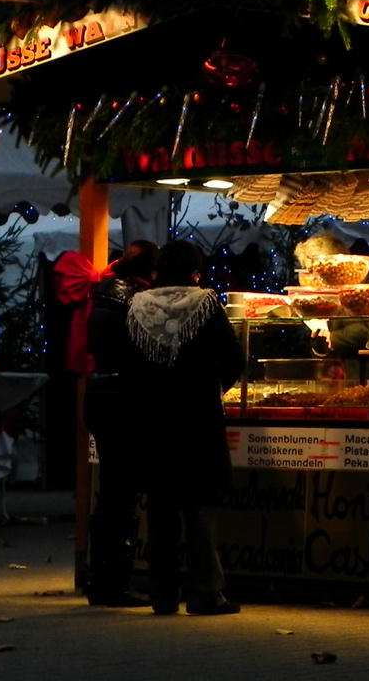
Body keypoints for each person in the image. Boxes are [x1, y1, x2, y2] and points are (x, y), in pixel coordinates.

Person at [122, 240, 243, 615]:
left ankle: (162, 596)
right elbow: (234, 357)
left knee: (160, 510)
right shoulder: (206, 303)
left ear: (158, 270)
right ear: (194, 270)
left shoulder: (138, 306)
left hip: (154, 420)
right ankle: (205, 595)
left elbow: (128, 363)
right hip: (197, 419)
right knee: (199, 508)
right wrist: (213, 389)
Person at [83, 240, 158, 607]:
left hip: (98, 393)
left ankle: (99, 579)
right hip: (126, 398)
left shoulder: (102, 294)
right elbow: (150, 353)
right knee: (124, 494)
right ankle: (116, 582)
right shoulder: (139, 301)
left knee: (110, 491)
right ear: (152, 273)